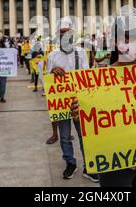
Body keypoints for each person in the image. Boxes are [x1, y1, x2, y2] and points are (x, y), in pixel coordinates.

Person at [72, 7, 136, 187]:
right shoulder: (97, 81)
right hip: (115, 162)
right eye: (128, 37)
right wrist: (80, 112)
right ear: (116, 42)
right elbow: (91, 123)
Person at [46, 18, 97, 182]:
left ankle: (89, 166)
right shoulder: (52, 56)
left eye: (67, 33)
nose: (64, 36)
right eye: (61, 33)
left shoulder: (81, 53)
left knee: (84, 135)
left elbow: (86, 77)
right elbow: (46, 80)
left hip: (78, 102)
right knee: (65, 136)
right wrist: (52, 71)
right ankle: (70, 163)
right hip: (61, 104)